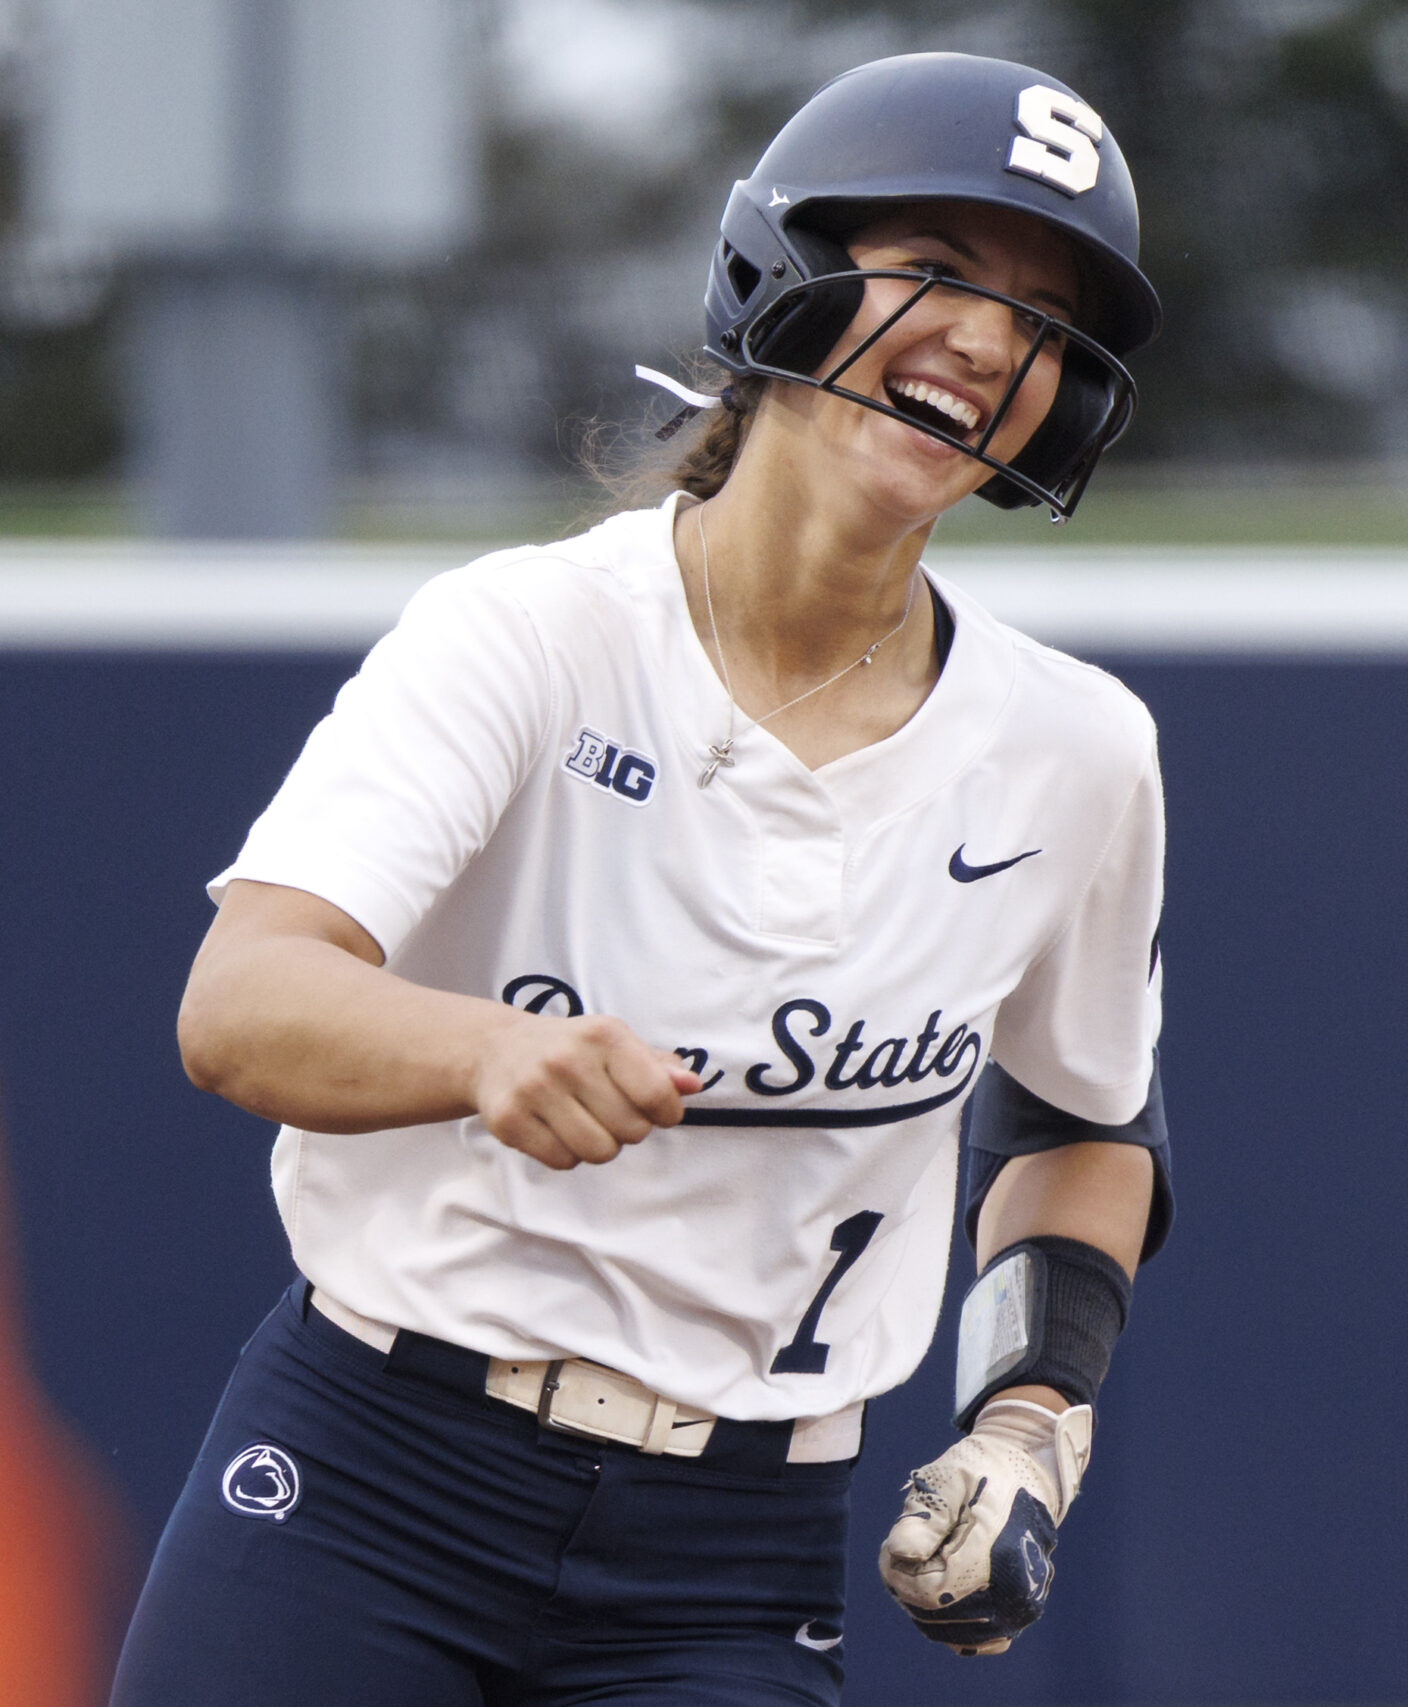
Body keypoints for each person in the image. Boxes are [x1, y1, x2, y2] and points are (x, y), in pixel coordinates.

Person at [110, 52, 1172, 1707]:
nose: (988, 338)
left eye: (1043, 316)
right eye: (941, 271)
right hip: (376, 1474)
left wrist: (1032, 1421)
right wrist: (484, 1050)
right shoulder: (529, 635)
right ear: (787, 274)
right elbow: (241, 1004)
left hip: (735, 1552)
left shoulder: (1076, 751)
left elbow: (1085, 1124)